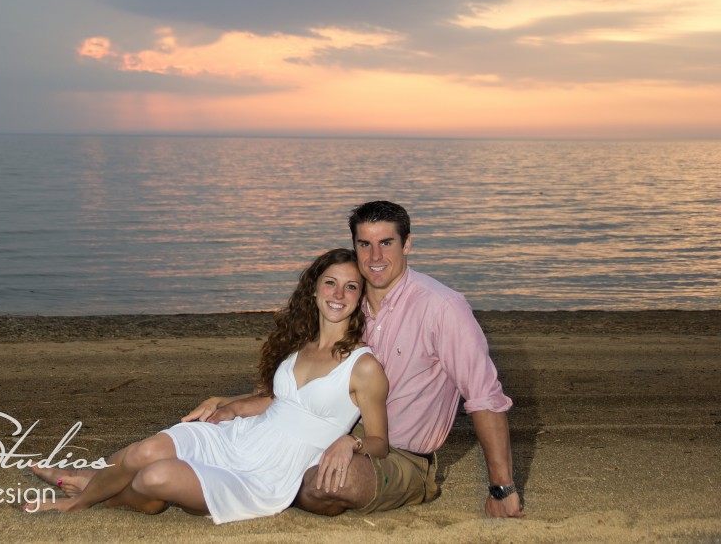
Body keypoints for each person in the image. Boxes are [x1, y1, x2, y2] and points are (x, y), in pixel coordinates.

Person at [187, 201, 523, 518]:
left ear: (406, 245)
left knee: (327, 483)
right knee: (229, 441)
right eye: (364, 244)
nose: (375, 256)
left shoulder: (442, 308)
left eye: (386, 243)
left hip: (399, 456)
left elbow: (484, 399)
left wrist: (501, 488)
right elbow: (299, 388)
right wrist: (230, 403)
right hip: (322, 432)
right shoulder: (346, 300)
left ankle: (272, 486)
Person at [26, 248, 389, 524]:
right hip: (240, 437)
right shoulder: (301, 343)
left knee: (155, 477)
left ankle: (94, 489)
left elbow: (380, 442)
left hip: (269, 472)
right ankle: (80, 497)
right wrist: (227, 403)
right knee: (142, 454)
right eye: (331, 282)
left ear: (359, 298)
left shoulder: (364, 366)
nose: (338, 293)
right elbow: (276, 403)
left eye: (350, 286)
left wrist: (350, 441)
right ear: (314, 289)